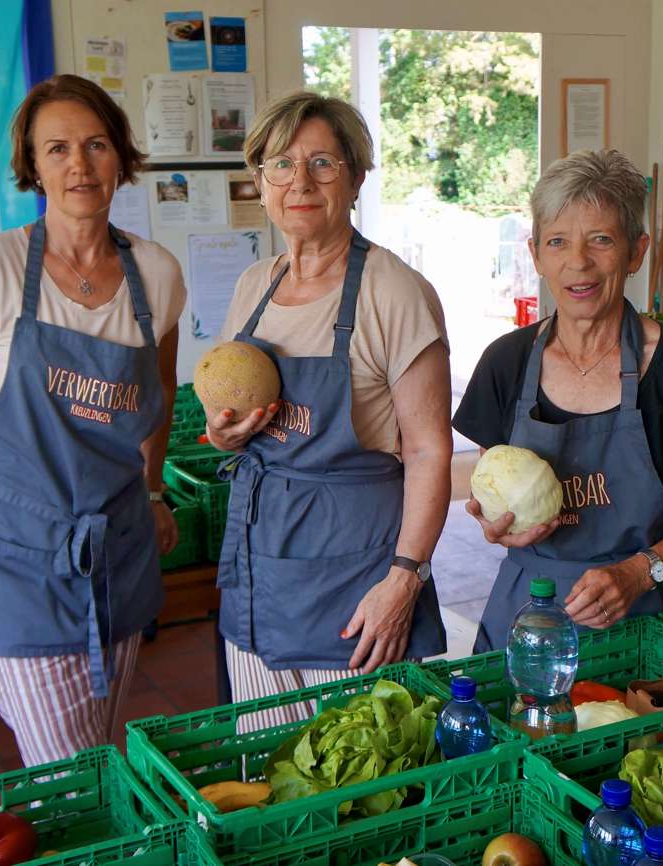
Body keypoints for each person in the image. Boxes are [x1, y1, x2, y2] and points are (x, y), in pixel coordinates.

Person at [0, 74, 186, 765]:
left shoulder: (156, 273)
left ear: (121, 157)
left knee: (99, 755)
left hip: (118, 553)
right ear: (32, 165)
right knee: (71, 774)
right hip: (17, 560)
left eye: (96, 144)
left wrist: (153, 490)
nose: (79, 164)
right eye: (57, 148)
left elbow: (160, 392)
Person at [208, 92, 450, 724]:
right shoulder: (252, 287)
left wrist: (405, 580)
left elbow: (429, 450)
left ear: (356, 177)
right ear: (260, 182)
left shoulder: (394, 292)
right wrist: (225, 434)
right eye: (281, 165)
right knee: (264, 779)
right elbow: (237, 425)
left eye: (322, 163)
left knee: (360, 783)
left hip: (356, 589)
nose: (300, 183)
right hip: (260, 577)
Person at [453, 149, 663, 652]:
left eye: (602, 240)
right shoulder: (506, 362)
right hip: (530, 615)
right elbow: (494, 484)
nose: (578, 262)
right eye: (558, 241)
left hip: (648, 618)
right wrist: (496, 523)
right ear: (536, 254)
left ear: (636, 252)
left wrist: (638, 572)